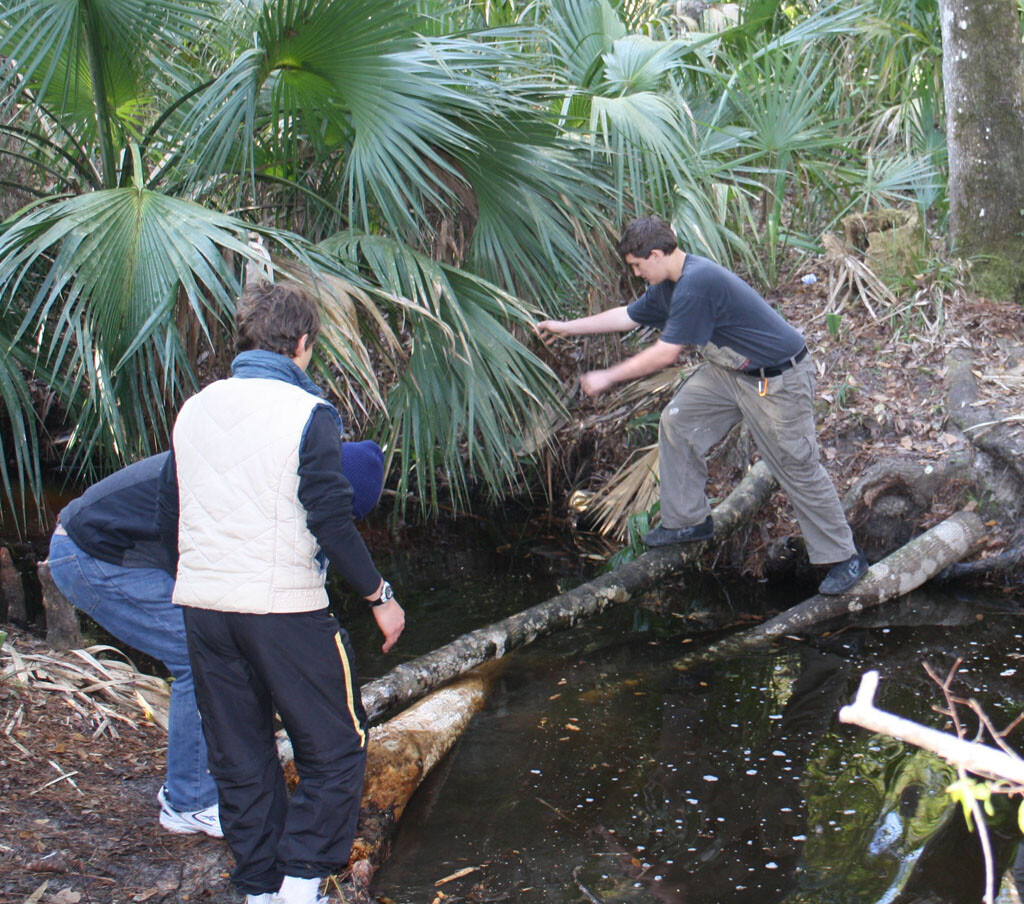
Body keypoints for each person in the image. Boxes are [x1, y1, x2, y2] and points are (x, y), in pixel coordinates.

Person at [156, 279, 405, 904]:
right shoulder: (307, 413)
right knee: (337, 747)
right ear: (303, 343)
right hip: (284, 609)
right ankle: (300, 884)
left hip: (205, 608)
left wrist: (197, 580)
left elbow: (168, 512)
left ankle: (260, 888)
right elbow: (330, 518)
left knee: (239, 754)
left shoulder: (196, 407)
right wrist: (379, 596)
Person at [47, 442, 387, 840]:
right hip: (92, 555)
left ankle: (211, 778)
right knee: (197, 657)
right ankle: (189, 803)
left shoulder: (286, 476)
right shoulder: (260, 491)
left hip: (133, 551)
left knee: (233, 648)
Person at [536, 215, 868, 596]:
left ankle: (845, 557)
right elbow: (626, 317)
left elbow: (665, 354)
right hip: (730, 373)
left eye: (638, 265)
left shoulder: (696, 283)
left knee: (796, 464)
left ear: (656, 255)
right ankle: (687, 521)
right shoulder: (666, 286)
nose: (637, 273)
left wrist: (607, 377)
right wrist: (565, 326)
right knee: (678, 421)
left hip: (777, 380)